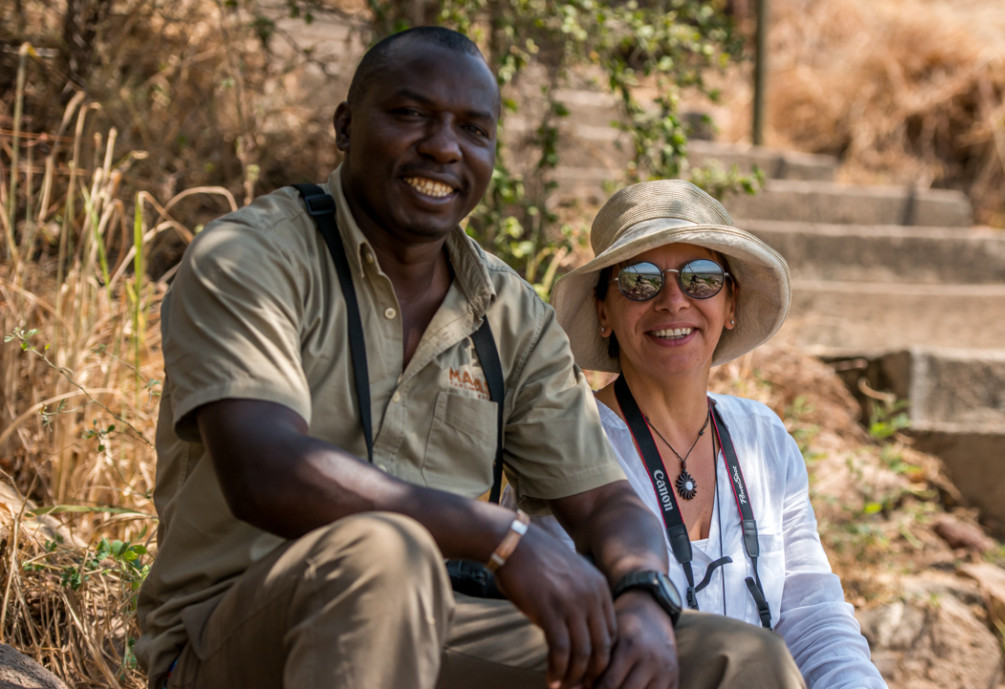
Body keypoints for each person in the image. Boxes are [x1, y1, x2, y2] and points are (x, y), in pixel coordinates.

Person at [134, 26, 806, 689]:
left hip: (448, 625)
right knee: (381, 555)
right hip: (235, 631)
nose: (443, 147)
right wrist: (499, 535)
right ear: (344, 126)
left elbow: (604, 501)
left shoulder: (509, 312)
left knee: (736, 659)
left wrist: (644, 595)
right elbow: (263, 467)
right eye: (410, 114)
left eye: (473, 130)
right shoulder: (254, 257)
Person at [539, 180, 889, 689]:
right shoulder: (571, 449)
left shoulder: (763, 438)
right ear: (602, 313)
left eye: (702, 278)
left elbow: (813, 614)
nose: (673, 300)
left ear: (729, 305)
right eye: (640, 280)